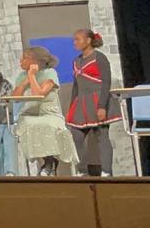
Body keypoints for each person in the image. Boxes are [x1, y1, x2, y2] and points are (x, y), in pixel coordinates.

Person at [12, 46, 78, 176]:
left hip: (49, 112)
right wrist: (25, 81)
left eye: (25, 58)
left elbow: (39, 94)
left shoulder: (50, 73)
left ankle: (49, 163)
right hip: (29, 112)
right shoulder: (21, 76)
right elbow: (15, 98)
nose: (21, 60)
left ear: (36, 60)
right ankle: (49, 163)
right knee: (29, 125)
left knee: (46, 125)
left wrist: (32, 75)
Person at [66, 28, 121, 176]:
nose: (75, 42)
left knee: (101, 136)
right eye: (74, 39)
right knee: (76, 136)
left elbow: (106, 82)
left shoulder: (99, 57)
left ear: (89, 40)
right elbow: (76, 86)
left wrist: (102, 106)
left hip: (97, 100)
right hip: (81, 103)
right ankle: (82, 170)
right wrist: (72, 108)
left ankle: (106, 171)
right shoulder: (76, 61)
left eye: (78, 39)